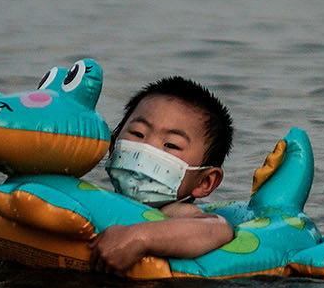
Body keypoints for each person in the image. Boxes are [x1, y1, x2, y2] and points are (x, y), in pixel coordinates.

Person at [91, 77, 239, 274]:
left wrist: (139, 237)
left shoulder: (176, 213)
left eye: (171, 145)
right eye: (137, 133)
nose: (146, 149)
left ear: (205, 181)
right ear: (113, 147)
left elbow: (218, 230)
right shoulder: (97, 198)